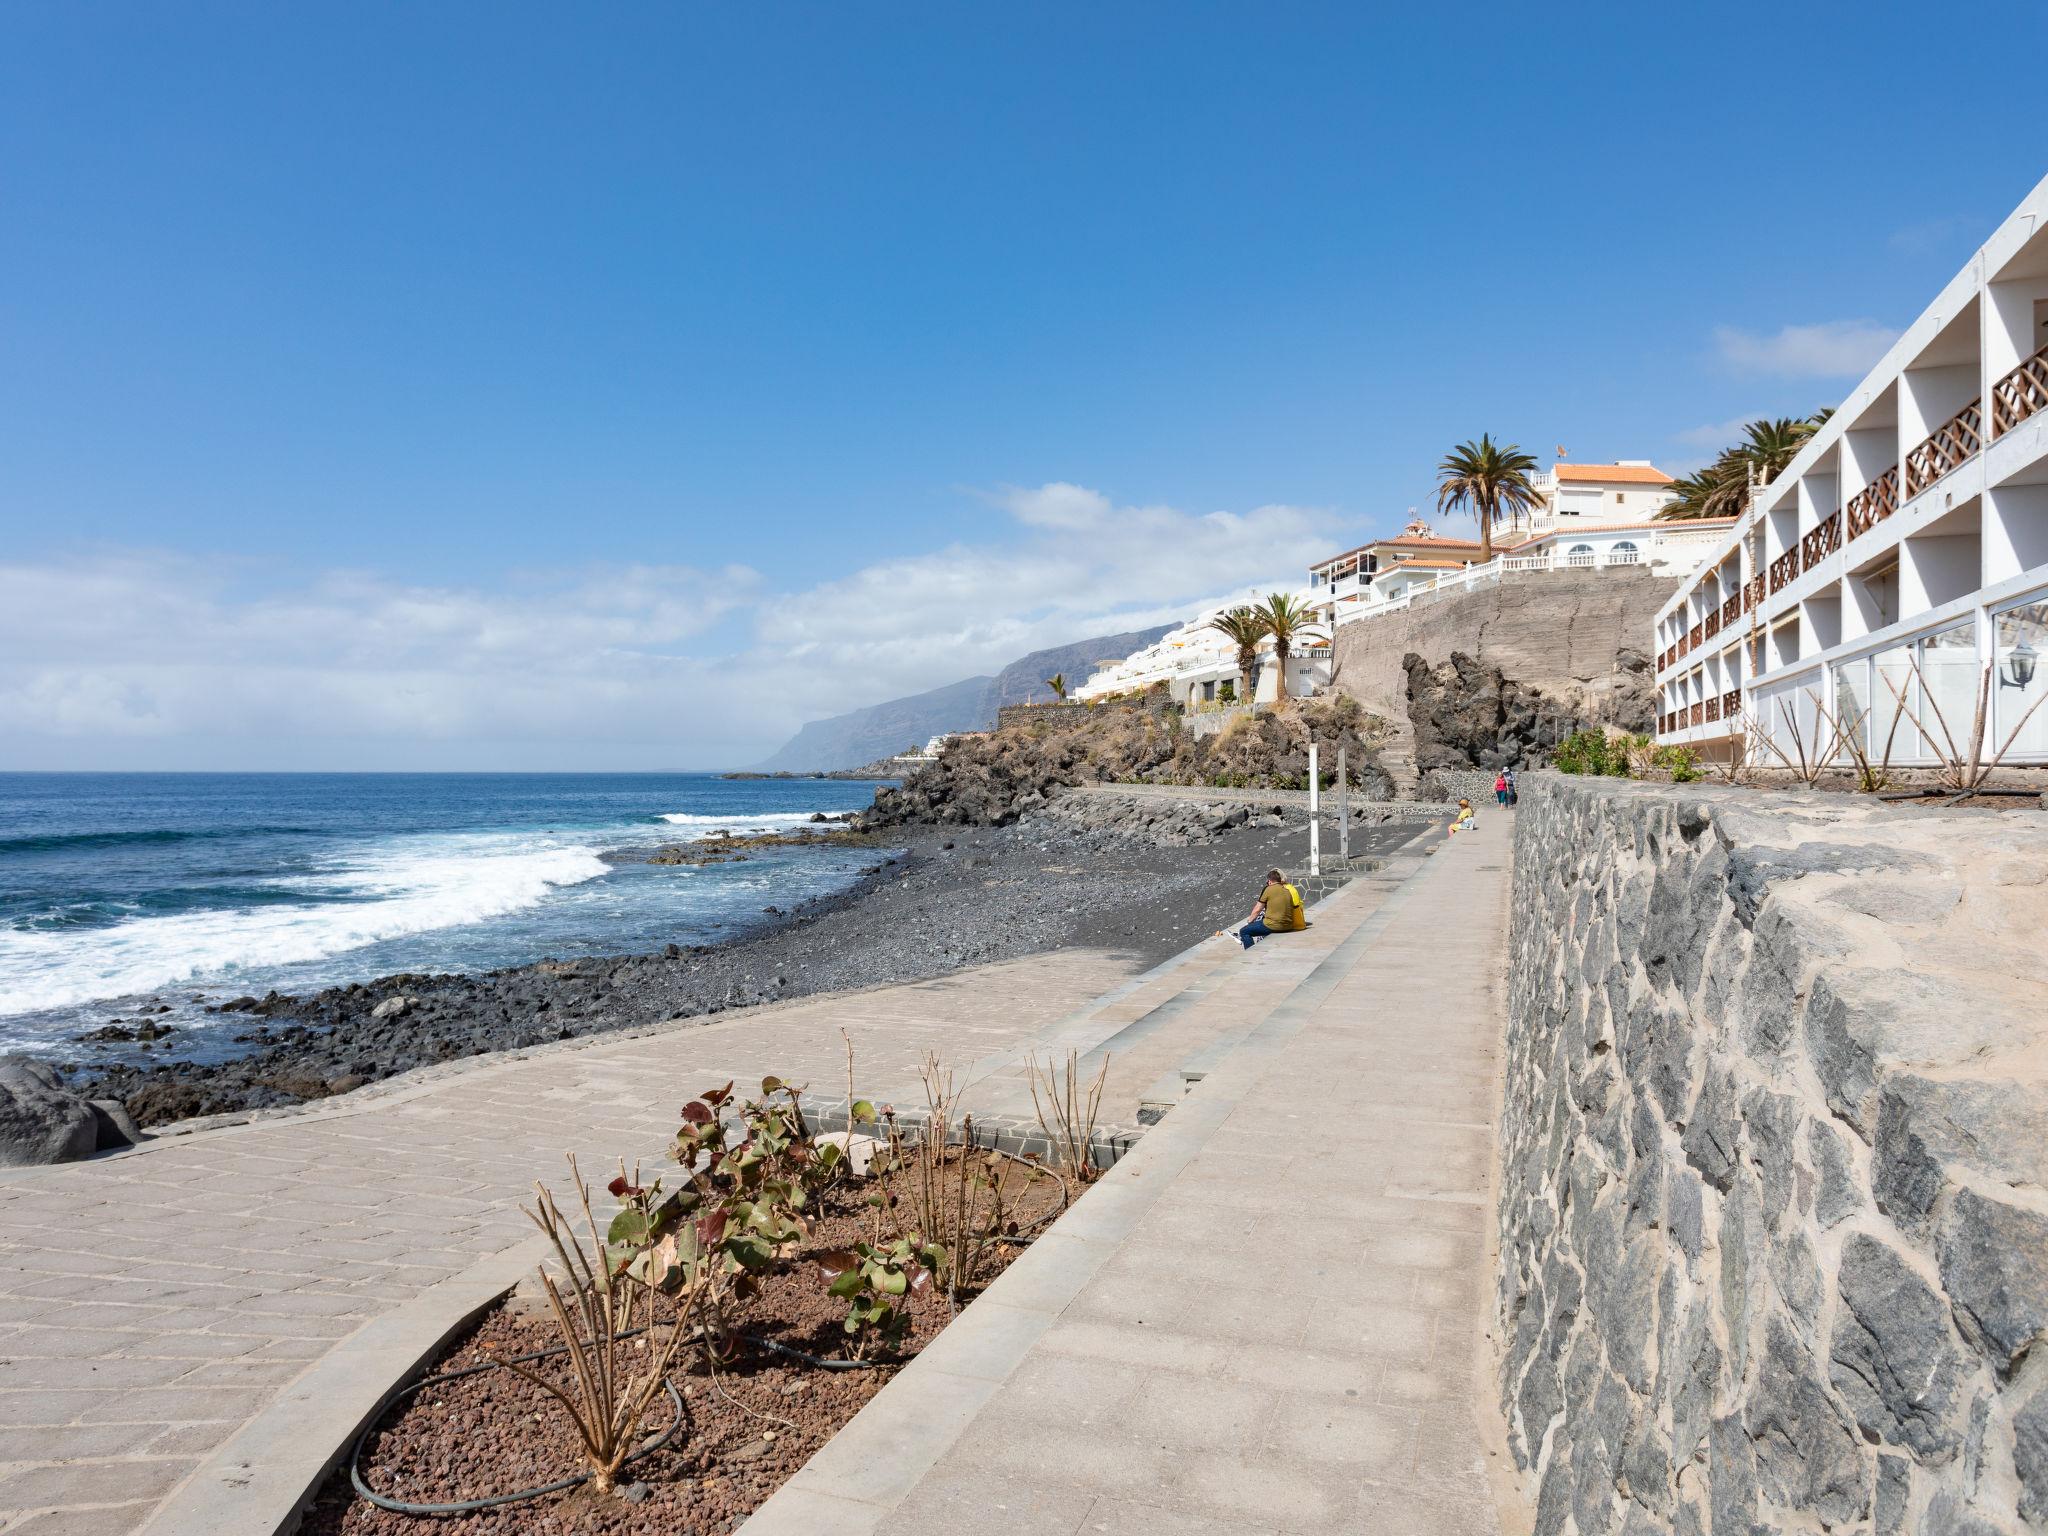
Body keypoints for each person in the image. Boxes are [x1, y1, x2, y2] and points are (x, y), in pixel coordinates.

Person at [1237, 868, 1298, 949]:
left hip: (1274, 925)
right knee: (1262, 924)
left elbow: (1257, 909)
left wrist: (1249, 922)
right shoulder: (1287, 890)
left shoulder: (1268, 889)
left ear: (1269, 881)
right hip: (1288, 925)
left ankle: (1251, 952)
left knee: (1244, 931)